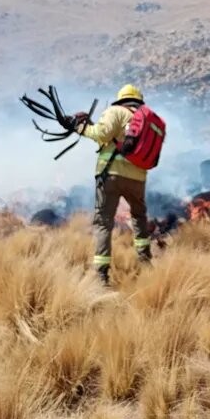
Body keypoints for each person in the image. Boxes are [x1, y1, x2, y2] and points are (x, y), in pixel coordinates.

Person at [76, 84, 153, 286]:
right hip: (138, 177)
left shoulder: (115, 111)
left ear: (121, 99)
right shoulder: (145, 119)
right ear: (138, 100)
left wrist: (79, 127)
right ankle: (145, 262)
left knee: (103, 223)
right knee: (139, 217)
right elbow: (113, 140)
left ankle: (101, 275)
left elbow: (102, 135)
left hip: (110, 175)